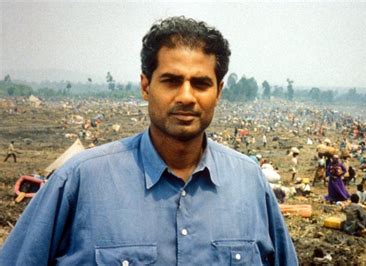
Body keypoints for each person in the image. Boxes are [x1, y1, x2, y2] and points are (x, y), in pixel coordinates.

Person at [0, 17, 298, 265]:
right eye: (171, 81)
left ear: (218, 91)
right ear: (146, 86)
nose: (186, 96)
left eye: (201, 83)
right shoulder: (81, 180)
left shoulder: (250, 182)